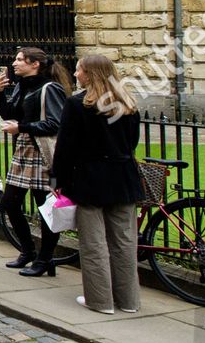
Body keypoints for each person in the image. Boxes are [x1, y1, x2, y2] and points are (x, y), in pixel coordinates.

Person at [51, 55, 143, 314]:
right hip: (123, 178)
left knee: (94, 244)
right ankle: (129, 301)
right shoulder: (128, 103)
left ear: (89, 74)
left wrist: (57, 179)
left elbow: (65, 147)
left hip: (90, 180)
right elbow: (131, 143)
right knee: (125, 243)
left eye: (79, 70)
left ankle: (100, 301)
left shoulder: (78, 104)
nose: (76, 73)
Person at [0, 47, 72, 277]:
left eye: (20, 60)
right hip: (24, 149)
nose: (15, 63)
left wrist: (22, 127)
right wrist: (0, 92)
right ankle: (28, 250)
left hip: (43, 152)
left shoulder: (50, 88)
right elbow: (9, 113)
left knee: (45, 208)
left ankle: (45, 259)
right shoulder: (21, 85)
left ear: (35, 64)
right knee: (9, 203)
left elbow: (56, 124)